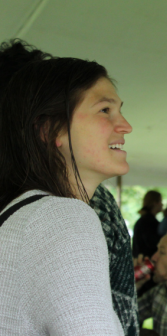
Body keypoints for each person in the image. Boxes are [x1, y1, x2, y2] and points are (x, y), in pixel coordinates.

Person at [0, 39, 139, 336]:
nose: (125, 125)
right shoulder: (64, 218)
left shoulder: (20, 213)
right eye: (105, 110)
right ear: (50, 130)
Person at [133, 190, 164, 297]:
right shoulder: (150, 223)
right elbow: (154, 245)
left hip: (141, 265)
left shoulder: (141, 221)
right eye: (160, 201)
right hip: (147, 268)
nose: (162, 204)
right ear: (155, 203)